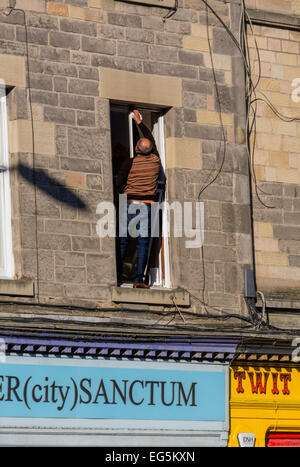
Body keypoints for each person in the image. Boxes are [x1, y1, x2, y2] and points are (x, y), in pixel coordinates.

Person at [115, 109, 162, 289]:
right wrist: (140, 122)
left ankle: (118, 276)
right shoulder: (155, 161)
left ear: (136, 149)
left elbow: (119, 182)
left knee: (124, 241)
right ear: (150, 150)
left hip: (128, 204)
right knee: (143, 243)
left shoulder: (130, 163)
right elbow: (152, 139)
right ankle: (139, 280)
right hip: (147, 205)